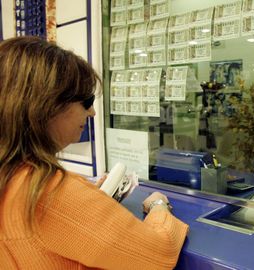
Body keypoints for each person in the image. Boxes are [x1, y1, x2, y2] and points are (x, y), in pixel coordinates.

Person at [0, 36, 188, 269]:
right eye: (86, 101)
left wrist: (92, 201)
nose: (92, 113)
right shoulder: (48, 192)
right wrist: (159, 206)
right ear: (48, 105)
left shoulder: (11, 176)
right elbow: (159, 253)